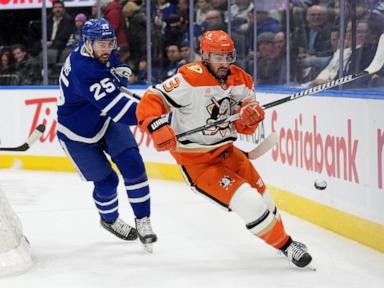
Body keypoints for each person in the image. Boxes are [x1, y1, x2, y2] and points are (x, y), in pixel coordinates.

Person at [136, 30, 313, 268]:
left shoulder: (241, 78)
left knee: (266, 203)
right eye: (218, 57)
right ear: (205, 55)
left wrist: (250, 116)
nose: (224, 62)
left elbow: (245, 118)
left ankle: (281, 241)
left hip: (229, 153)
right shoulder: (189, 79)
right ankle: (287, 245)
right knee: (249, 202)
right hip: (199, 163)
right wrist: (156, 125)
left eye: (228, 56)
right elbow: (152, 99)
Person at [56, 18, 157, 252]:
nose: (107, 48)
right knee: (107, 181)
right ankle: (109, 220)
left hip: (103, 118)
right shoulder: (84, 69)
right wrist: (154, 116)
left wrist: (118, 75)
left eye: (110, 42)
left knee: (132, 162)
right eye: (101, 44)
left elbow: (114, 70)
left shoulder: (99, 51)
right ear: (87, 43)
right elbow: (121, 110)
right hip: (77, 135)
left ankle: (143, 221)